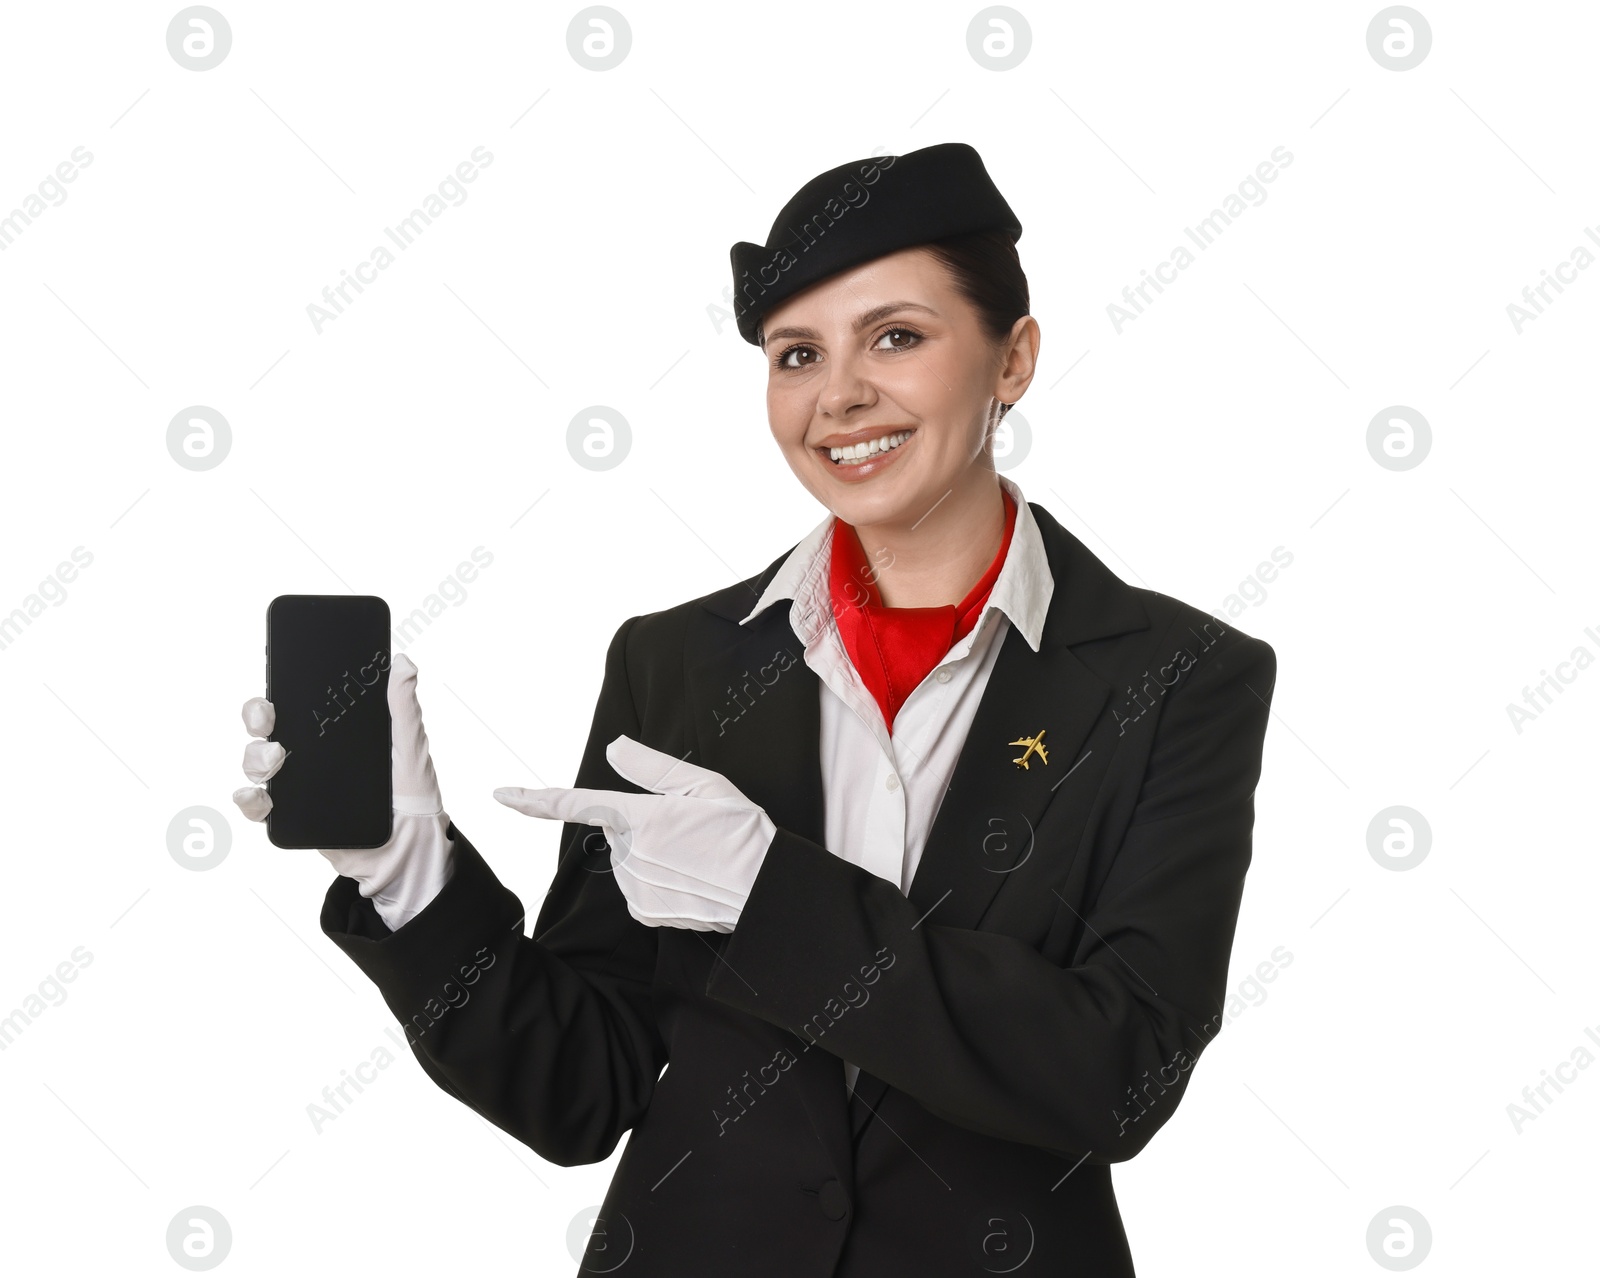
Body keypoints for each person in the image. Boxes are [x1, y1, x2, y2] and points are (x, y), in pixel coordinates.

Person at [233, 141, 1277, 1277]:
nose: (838, 396)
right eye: (796, 354)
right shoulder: (672, 663)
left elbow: (1122, 1074)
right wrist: (408, 874)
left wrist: (768, 894)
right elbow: (586, 1089)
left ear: (1012, 358)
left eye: (897, 337)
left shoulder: (1178, 676)